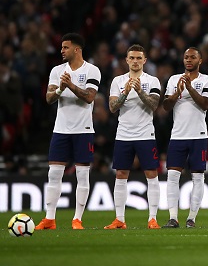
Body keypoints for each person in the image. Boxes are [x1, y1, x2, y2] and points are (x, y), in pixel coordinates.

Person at [36, 33, 101, 230]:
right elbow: (48, 98)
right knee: (54, 174)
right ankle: (49, 218)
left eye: (65, 47)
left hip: (83, 129)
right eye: (62, 47)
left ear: (77, 49)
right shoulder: (57, 71)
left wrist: (70, 86)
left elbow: (89, 97)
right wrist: (59, 90)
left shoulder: (92, 70)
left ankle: (77, 219)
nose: (62, 51)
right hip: (61, 129)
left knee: (82, 174)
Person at [104, 44, 162, 229]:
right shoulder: (118, 81)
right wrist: (126, 92)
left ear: (144, 60)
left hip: (146, 133)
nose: (135, 61)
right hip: (124, 134)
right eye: (132, 58)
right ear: (126, 60)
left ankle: (152, 218)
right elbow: (113, 107)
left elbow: (154, 105)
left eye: (139, 58)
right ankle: (119, 219)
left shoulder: (152, 81)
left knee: (151, 174)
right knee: (121, 174)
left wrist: (139, 91)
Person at [161, 47, 208, 228]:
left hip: (198, 135)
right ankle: (173, 218)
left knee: (198, 177)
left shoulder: (207, 80)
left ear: (200, 61)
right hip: (177, 135)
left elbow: (205, 104)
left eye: (193, 57)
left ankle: (191, 218)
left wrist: (189, 88)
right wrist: (177, 92)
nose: (189, 60)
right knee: (172, 176)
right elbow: (166, 106)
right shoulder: (173, 80)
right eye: (186, 57)